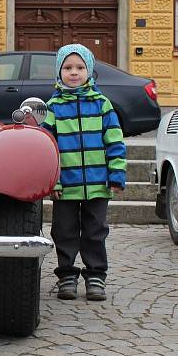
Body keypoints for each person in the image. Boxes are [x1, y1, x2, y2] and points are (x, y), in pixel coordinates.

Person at [40, 44, 126, 302]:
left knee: (95, 230)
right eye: (68, 68)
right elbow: (47, 147)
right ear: (59, 72)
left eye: (80, 67)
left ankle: (96, 276)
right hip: (65, 185)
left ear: (89, 71)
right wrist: (52, 179)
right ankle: (66, 275)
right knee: (64, 231)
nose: (74, 73)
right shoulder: (53, 107)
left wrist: (117, 174)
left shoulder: (102, 105)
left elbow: (115, 142)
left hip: (98, 184)